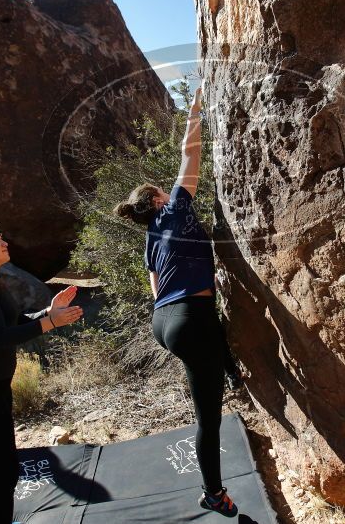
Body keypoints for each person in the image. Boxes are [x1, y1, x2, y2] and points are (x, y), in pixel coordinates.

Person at [113, 87, 239, 518]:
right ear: (156, 201)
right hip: (187, 316)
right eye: (164, 194)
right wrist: (196, 112)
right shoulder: (172, 210)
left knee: (204, 357)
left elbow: (155, 291)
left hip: (164, 321)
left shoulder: (150, 240)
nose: (170, 195)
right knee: (209, 419)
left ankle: (231, 372)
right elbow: (190, 156)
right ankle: (213, 493)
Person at [0, 224, 82, 524]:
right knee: (3, 475)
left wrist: (48, 312)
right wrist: (51, 323)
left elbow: (16, 321)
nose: (4, 242)